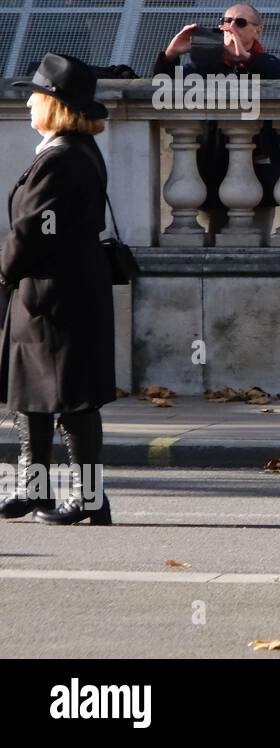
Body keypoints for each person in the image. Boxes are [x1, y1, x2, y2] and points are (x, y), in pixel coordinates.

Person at [1, 53, 117, 525]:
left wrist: (4, 270)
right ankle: (35, 490)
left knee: (73, 399)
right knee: (34, 394)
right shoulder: (66, 151)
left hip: (57, 292)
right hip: (53, 290)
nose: (28, 103)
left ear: (55, 105)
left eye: (36, 96)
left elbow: (31, 232)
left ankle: (90, 497)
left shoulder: (62, 158)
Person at [153, 3, 280, 235]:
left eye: (240, 22)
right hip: (214, 169)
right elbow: (162, 92)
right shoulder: (205, 66)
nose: (231, 27)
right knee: (213, 244)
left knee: (256, 243)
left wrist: (246, 58)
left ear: (257, 30)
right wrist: (170, 56)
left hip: (259, 172)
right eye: (226, 21)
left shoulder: (266, 64)